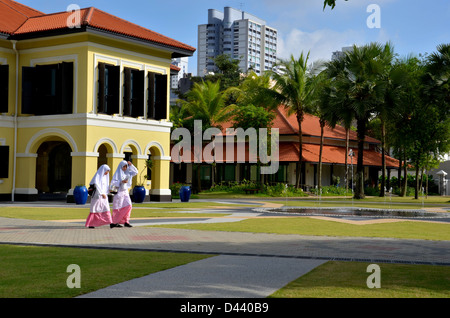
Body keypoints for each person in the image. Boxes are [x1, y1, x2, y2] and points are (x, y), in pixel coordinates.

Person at [110, 160, 138, 227]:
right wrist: (120, 182)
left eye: (126, 166)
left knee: (128, 205)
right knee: (117, 207)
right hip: (119, 192)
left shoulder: (128, 173)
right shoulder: (117, 174)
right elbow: (112, 183)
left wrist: (131, 165)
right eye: (123, 166)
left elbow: (135, 172)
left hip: (125, 191)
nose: (125, 168)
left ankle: (126, 221)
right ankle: (114, 222)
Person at [85, 164, 113, 229]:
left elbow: (105, 186)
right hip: (97, 196)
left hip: (104, 196)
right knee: (95, 209)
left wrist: (108, 191)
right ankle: (91, 224)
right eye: (106, 171)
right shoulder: (97, 177)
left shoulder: (105, 177)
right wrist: (101, 193)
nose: (107, 173)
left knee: (106, 208)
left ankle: (110, 222)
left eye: (108, 171)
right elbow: (97, 185)